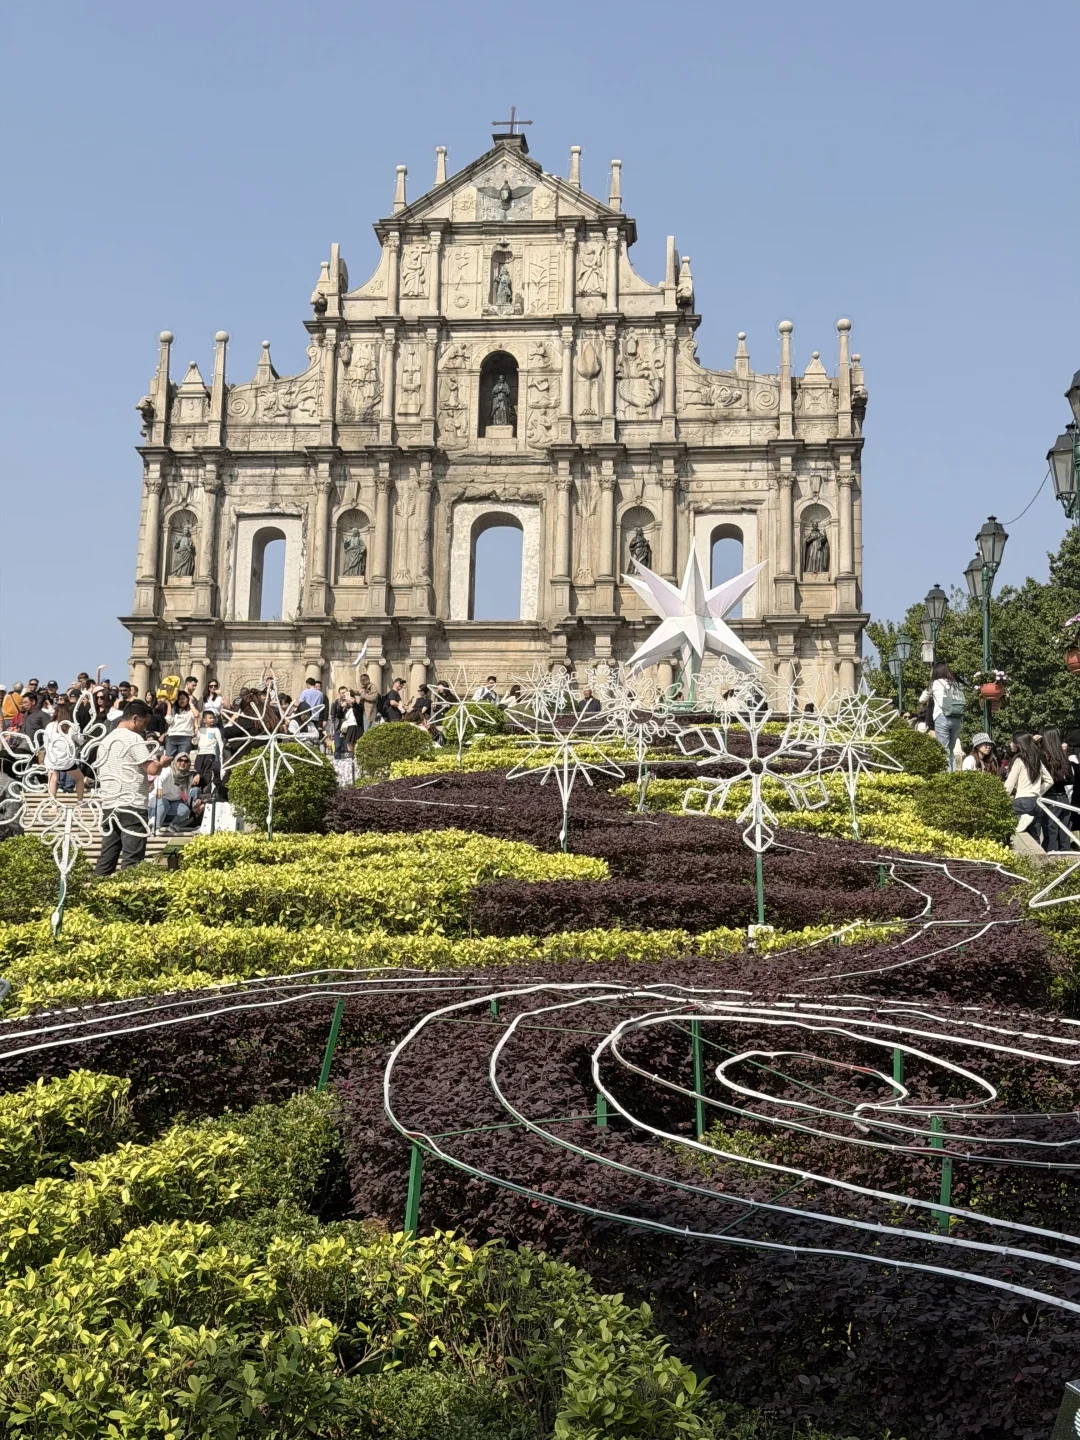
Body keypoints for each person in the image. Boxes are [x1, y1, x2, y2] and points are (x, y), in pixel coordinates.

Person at [94, 700, 170, 874]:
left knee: (107, 856)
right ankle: (129, 890)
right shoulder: (134, 738)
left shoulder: (106, 740)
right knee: (132, 860)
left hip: (109, 805)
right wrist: (162, 763)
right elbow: (151, 769)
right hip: (132, 805)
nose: (145, 727)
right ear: (135, 718)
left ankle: (97, 887)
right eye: (144, 722)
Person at [1004, 732, 1052, 843]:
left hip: (1021, 802)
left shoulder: (1018, 761)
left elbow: (1009, 785)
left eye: (1012, 742)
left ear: (1019, 744)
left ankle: (1023, 818)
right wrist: (1038, 792)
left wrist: (1001, 800)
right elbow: (1050, 780)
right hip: (1037, 802)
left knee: (1014, 835)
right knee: (1035, 838)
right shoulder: (1037, 760)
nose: (1010, 744)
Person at [919, 662, 965, 772]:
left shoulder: (934, 683)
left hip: (942, 717)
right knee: (951, 751)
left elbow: (921, 699)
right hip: (957, 719)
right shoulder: (955, 683)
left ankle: (946, 778)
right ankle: (953, 775)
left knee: (944, 751)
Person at [1037, 727, 1073, 851]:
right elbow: (1070, 778)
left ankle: (1052, 857)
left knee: (1050, 832)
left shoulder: (1041, 755)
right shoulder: (1063, 755)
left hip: (1048, 797)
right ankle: (1067, 857)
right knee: (1065, 832)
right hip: (1063, 797)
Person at [42, 702, 85, 800]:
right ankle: (80, 801)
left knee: (52, 780)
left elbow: (45, 742)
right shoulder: (72, 726)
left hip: (52, 759)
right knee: (80, 778)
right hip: (67, 760)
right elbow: (80, 741)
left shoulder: (50, 726)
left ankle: (53, 804)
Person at [151, 751, 202, 833]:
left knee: (185, 811)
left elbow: (184, 794)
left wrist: (193, 805)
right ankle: (155, 828)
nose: (183, 763)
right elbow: (158, 779)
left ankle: (173, 825)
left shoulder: (187, 777)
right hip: (158, 799)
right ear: (175, 761)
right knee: (164, 804)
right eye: (180, 760)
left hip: (173, 802)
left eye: (186, 761)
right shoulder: (168, 770)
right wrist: (159, 788)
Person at [192, 707, 225, 798]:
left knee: (207, 772)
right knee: (197, 770)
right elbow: (195, 741)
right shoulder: (201, 730)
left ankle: (206, 790)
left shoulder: (215, 729)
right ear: (204, 720)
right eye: (210, 718)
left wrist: (222, 754)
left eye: (213, 718)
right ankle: (197, 789)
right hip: (200, 754)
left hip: (210, 753)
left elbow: (220, 742)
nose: (212, 720)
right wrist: (195, 733)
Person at [163, 690, 196, 757]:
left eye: (183, 698)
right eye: (179, 699)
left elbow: (197, 715)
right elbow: (168, 720)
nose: (181, 701)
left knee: (182, 758)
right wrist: (168, 704)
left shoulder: (190, 711)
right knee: (168, 758)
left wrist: (191, 703)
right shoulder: (174, 710)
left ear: (187, 699)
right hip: (172, 736)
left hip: (186, 737)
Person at [331, 686, 357, 758]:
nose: (343, 694)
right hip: (338, 726)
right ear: (339, 694)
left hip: (348, 727)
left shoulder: (351, 702)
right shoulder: (335, 702)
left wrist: (349, 702)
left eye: (345, 692)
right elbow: (333, 715)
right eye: (342, 693)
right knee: (337, 746)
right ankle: (337, 760)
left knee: (347, 747)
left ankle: (347, 761)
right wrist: (332, 728)